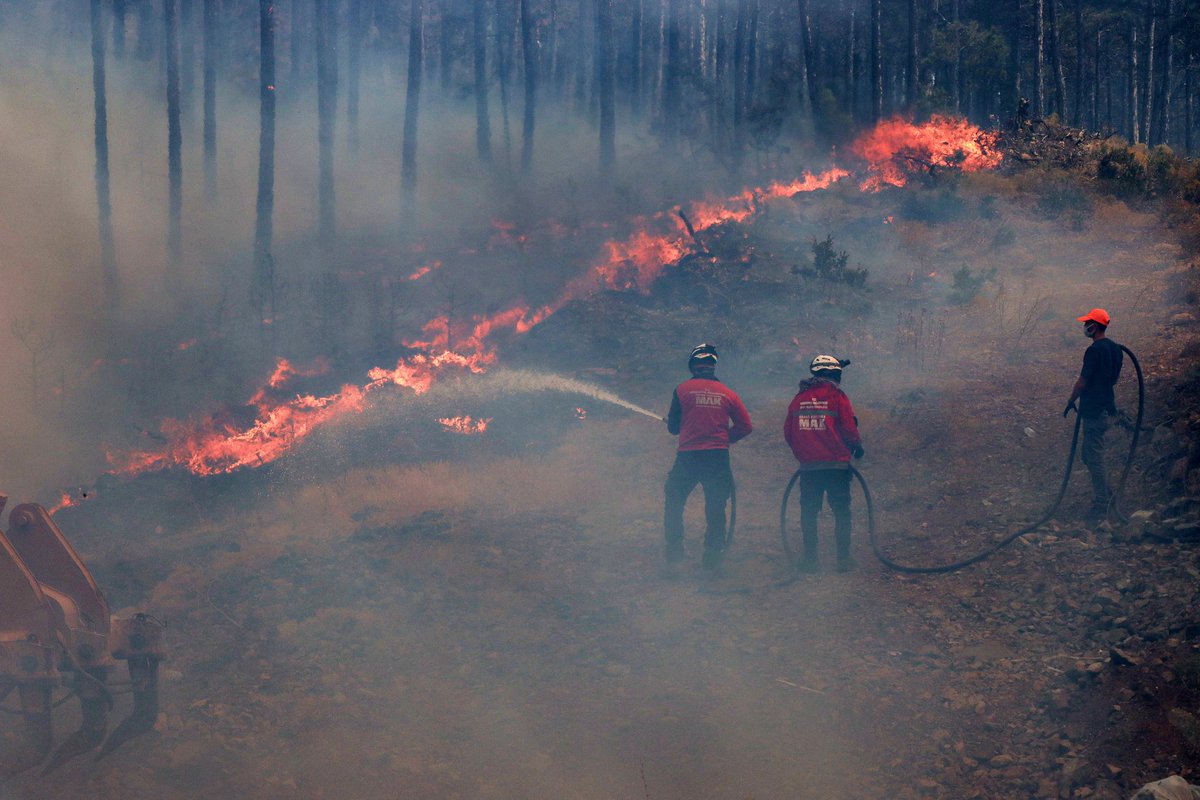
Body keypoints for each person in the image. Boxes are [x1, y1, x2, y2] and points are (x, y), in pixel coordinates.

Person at [663, 344, 753, 570]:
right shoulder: (729, 393)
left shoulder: (681, 390)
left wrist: (681, 424)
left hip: (688, 457)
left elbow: (673, 428)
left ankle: (674, 554)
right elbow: (746, 426)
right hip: (717, 458)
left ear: (693, 366)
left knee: (674, 500)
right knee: (715, 506)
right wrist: (724, 439)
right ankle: (712, 559)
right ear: (713, 366)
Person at [783, 355, 863, 573]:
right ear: (835, 375)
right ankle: (843, 561)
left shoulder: (799, 399)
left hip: (809, 468)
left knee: (809, 512)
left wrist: (804, 453)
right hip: (837, 467)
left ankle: (810, 562)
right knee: (841, 511)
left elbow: (789, 433)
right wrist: (857, 446)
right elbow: (848, 428)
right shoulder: (837, 396)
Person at [1063, 308, 1123, 524]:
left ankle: (1102, 504)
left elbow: (1082, 382)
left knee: (1094, 457)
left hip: (1094, 411)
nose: (1084, 327)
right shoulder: (1116, 349)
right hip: (1107, 408)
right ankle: (1108, 493)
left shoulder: (1094, 351)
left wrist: (1071, 400)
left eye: (1087, 322)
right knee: (1088, 455)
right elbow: (1113, 379)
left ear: (1094, 326)